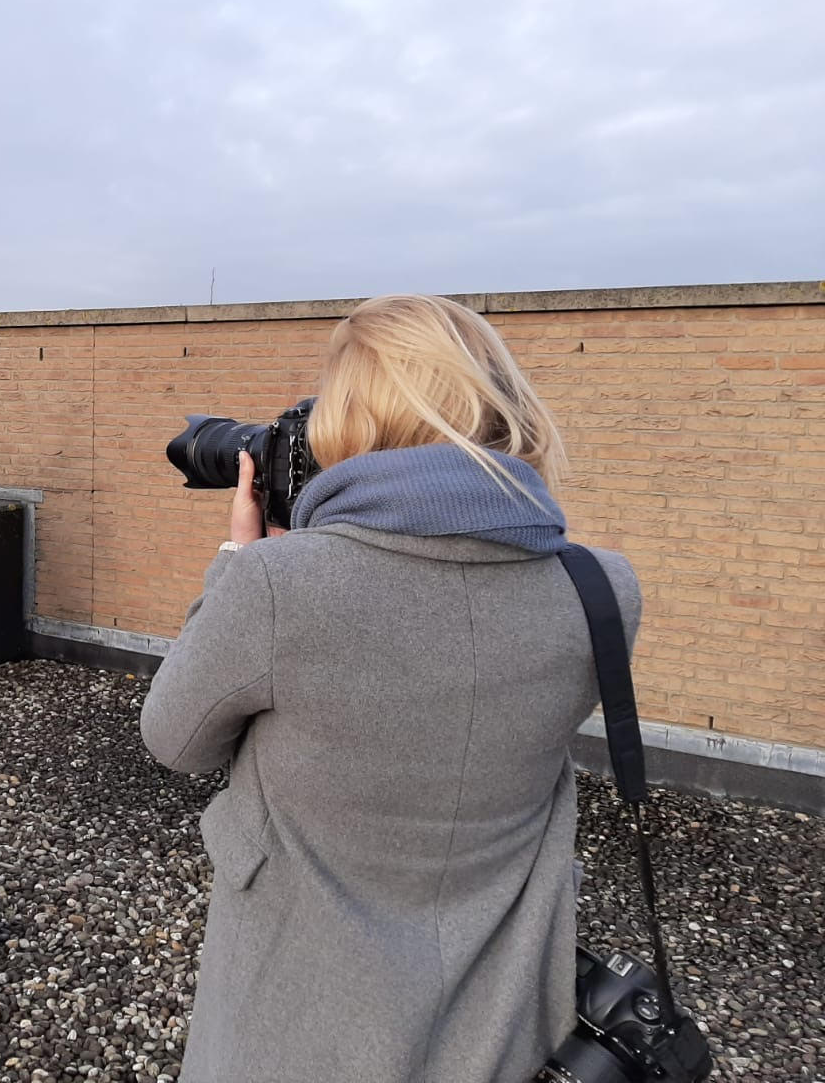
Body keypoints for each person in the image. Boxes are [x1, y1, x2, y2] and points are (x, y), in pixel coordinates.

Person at [140, 294, 641, 1083]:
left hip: (296, 1017)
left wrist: (240, 565)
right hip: (504, 1017)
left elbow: (176, 741)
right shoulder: (602, 588)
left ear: (354, 419)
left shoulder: (277, 586)